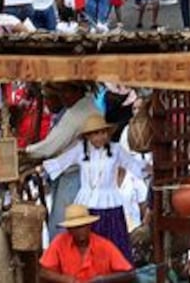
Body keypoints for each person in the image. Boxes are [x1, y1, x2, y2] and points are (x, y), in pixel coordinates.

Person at [40, 114, 146, 261]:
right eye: (95, 134)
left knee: (113, 243)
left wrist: (149, 170)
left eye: (103, 132)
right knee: (87, 243)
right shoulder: (80, 150)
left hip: (111, 204)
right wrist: (41, 167)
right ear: (88, 136)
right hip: (87, 204)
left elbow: (133, 165)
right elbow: (61, 162)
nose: (100, 137)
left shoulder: (116, 150)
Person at [39, 204, 134, 283]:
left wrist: (102, 280)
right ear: (69, 230)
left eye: (83, 226)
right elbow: (43, 272)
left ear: (90, 226)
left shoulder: (104, 245)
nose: (80, 231)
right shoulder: (59, 243)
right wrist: (67, 280)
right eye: (76, 227)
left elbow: (129, 274)